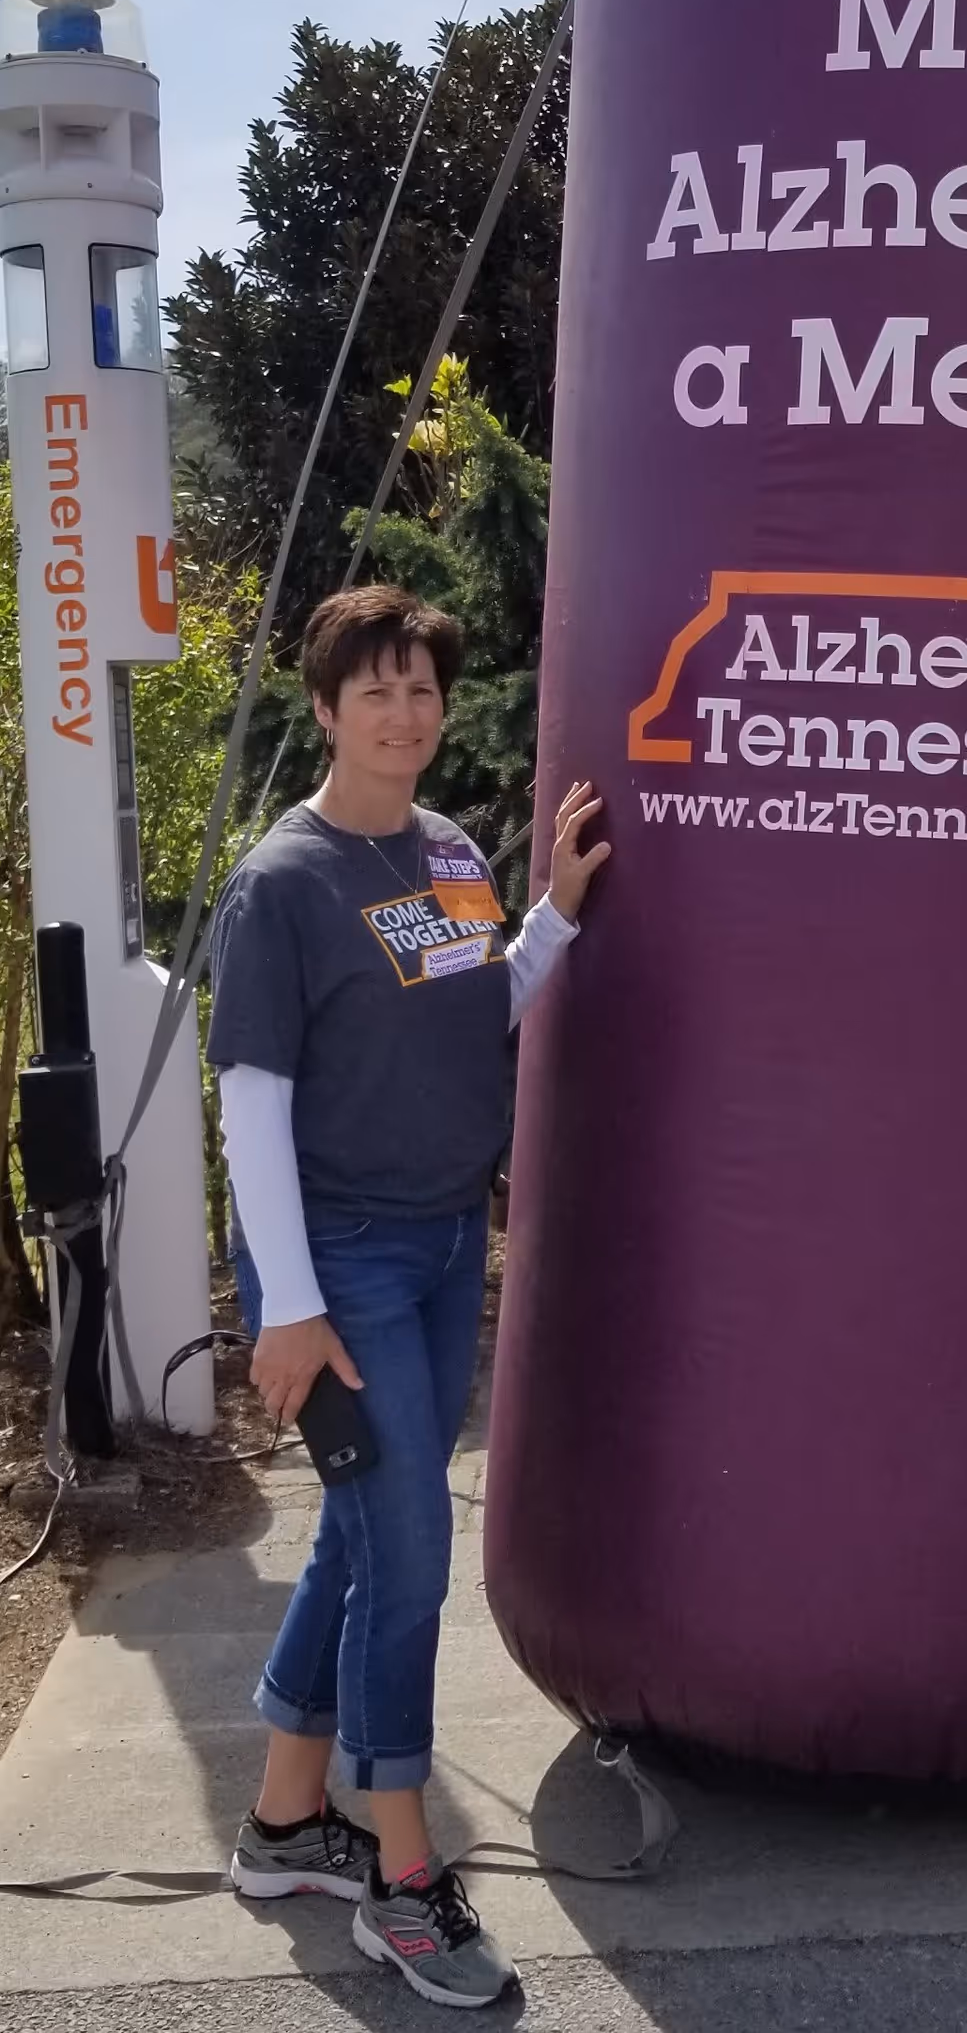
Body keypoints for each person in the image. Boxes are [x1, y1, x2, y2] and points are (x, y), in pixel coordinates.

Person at [208, 585, 609, 2007]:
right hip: (344, 1264)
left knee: (363, 1544)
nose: (405, 713)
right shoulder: (286, 881)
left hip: (441, 1250)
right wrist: (290, 1306)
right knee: (412, 1555)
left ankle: (279, 1826)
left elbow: (476, 1008)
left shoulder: (442, 852)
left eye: (421, 689)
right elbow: (248, 1102)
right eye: (373, 690)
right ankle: (400, 1873)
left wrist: (553, 915)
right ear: (325, 708)